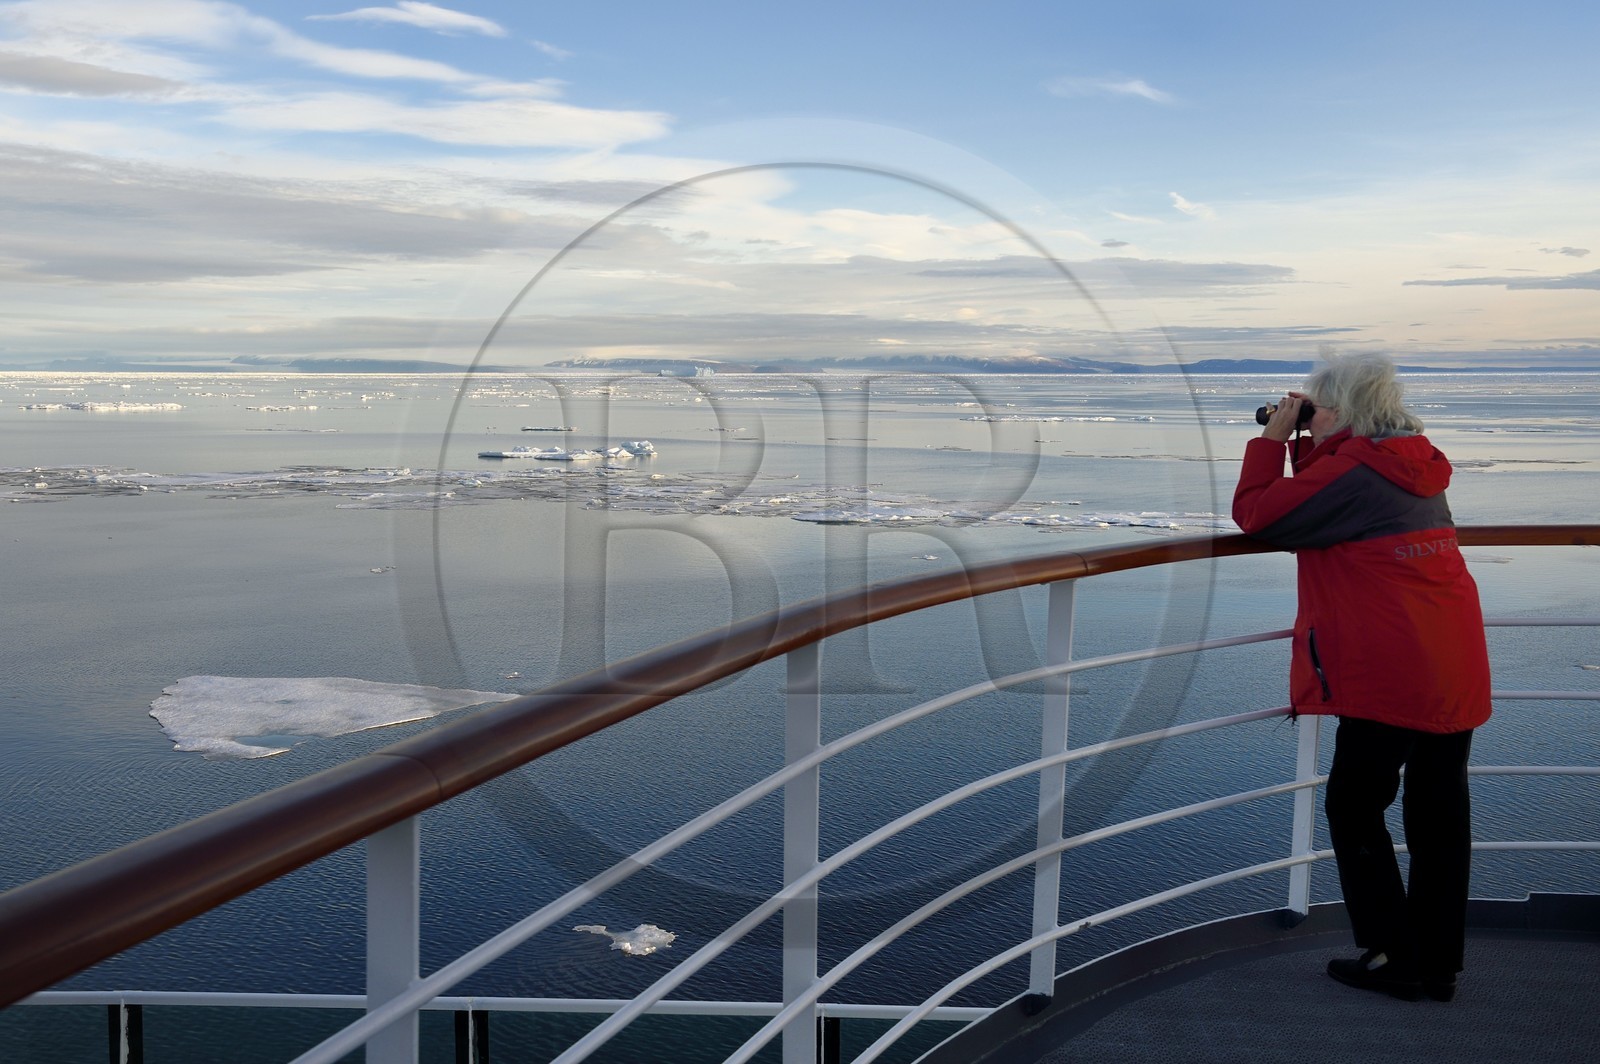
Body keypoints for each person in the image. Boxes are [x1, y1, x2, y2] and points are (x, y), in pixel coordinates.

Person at [1232, 351, 1491, 1003]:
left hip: (1391, 665)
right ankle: (1437, 962)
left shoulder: (1353, 471)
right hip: (1449, 656)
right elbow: (1325, 507)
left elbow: (1261, 516)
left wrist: (1269, 442)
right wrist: (1312, 437)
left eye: (1315, 407)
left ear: (1342, 411)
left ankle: (1395, 955)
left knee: (1354, 805)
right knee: (1438, 815)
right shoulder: (1407, 459)